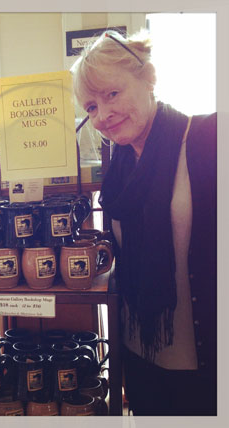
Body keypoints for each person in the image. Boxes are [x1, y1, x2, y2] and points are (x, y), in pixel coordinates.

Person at [72, 30, 216, 416]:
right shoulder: (118, 163)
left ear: (148, 77)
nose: (102, 115)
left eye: (112, 95)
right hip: (139, 359)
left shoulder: (208, 139)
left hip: (206, 368)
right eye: (90, 107)